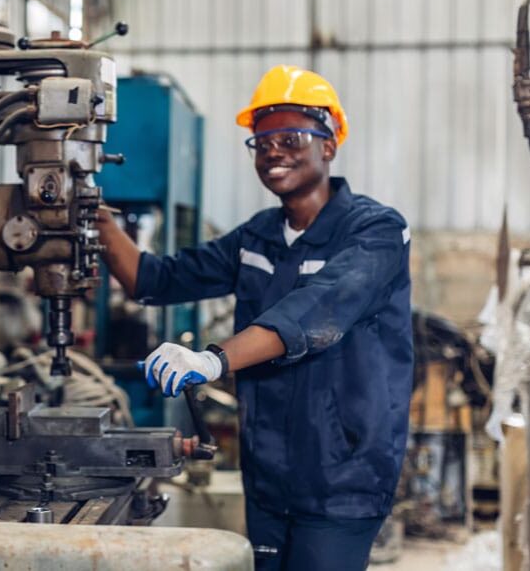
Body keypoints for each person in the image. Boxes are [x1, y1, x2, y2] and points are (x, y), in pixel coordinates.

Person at [97, 65, 413, 570]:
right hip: (268, 473)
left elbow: (317, 309)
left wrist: (213, 359)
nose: (273, 151)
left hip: (342, 479)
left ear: (328, 145)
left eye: (290, 138)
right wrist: (93, 215)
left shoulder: (376, 231)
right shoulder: (257, 238)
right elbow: (153, 279)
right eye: (261, 142)